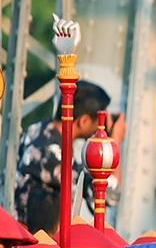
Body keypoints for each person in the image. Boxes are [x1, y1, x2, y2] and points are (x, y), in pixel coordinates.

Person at [14, 79, 119, 233]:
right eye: (99, 121)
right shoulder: (51, 155)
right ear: (83, 121)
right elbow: (109, 194)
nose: (102, 126)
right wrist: (114, 138)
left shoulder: (36, 131)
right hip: (35, 246)